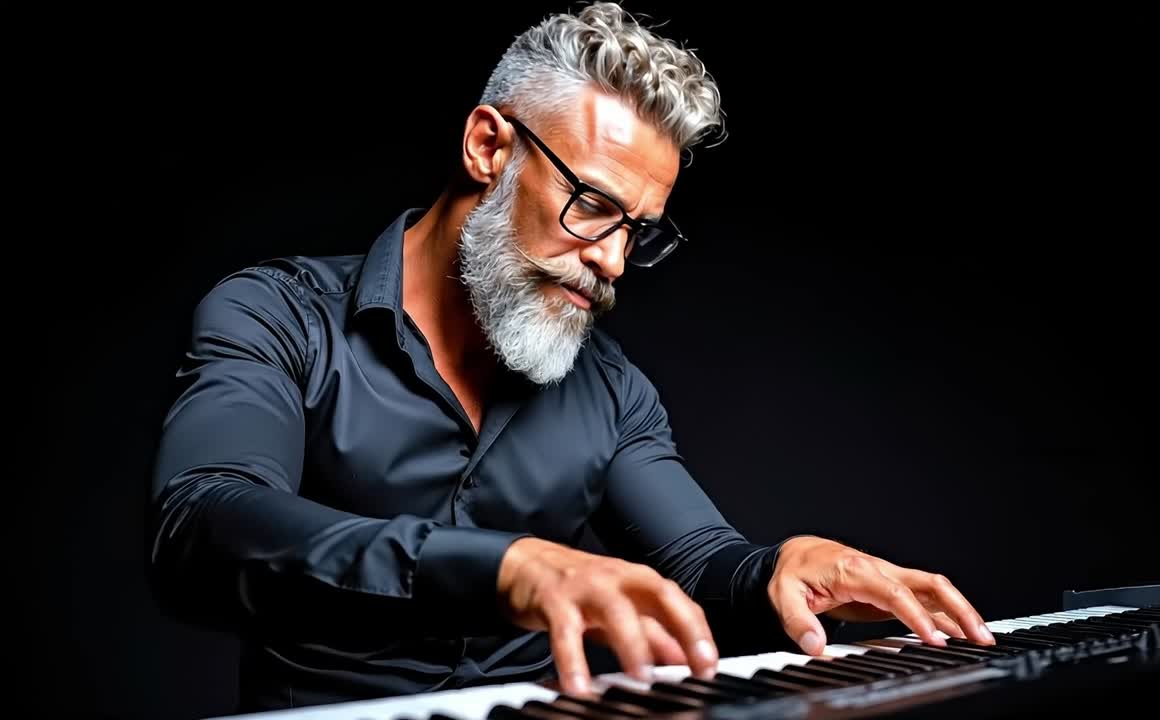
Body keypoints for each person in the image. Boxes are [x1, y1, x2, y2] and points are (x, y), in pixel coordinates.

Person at [146, 2, 993, 712]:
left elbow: (702, 563)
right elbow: (203, 523)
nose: (614, 260)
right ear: (488, 147)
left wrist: (780, 568)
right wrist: (500, 566)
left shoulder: (612, 389)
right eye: (592, 204)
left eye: (638, 229)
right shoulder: (278, 315)